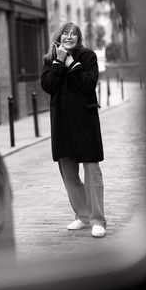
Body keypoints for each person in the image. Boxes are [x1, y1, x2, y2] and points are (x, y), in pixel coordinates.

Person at [41, 22, 106, 237]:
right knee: (68, 173)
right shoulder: (50, 59)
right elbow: (48, 86)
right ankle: (82, 216)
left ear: (79, 38)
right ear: (59, 36)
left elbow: (88, 85)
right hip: (61, 123)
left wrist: (71, 63)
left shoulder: (87, 56)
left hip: (84, 121)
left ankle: (98, 220)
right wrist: (59, 62)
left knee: (91, 172)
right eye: (65, 33)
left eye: (73, 34)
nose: (69, 37)